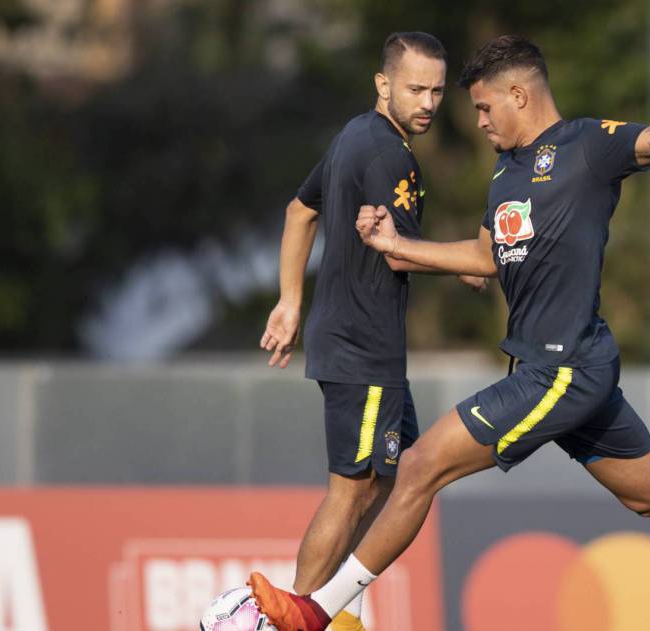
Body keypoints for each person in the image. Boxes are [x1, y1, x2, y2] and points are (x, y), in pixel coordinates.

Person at [251, 35, 650, 631]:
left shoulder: (589, 147)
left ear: (518, 96)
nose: (476, 121)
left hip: (557, 370)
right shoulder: (504, 172)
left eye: (481, 106)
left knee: (419, 467)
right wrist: (399, 246)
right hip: (565, 365)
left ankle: (317, 612)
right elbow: (482, 258)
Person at [256, 31, 477, 631]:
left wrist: (290, 302)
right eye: (415, 88)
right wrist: (470, 264)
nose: (428, 102)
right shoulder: (387, 155)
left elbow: (299, 211)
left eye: (436, 89)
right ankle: (291, 616)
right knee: (352, 490)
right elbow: (399, 255)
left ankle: (336, 610)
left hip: (349, 339)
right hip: (363, 347)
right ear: (383, 85)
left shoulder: (354, 134)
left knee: (397, 477)